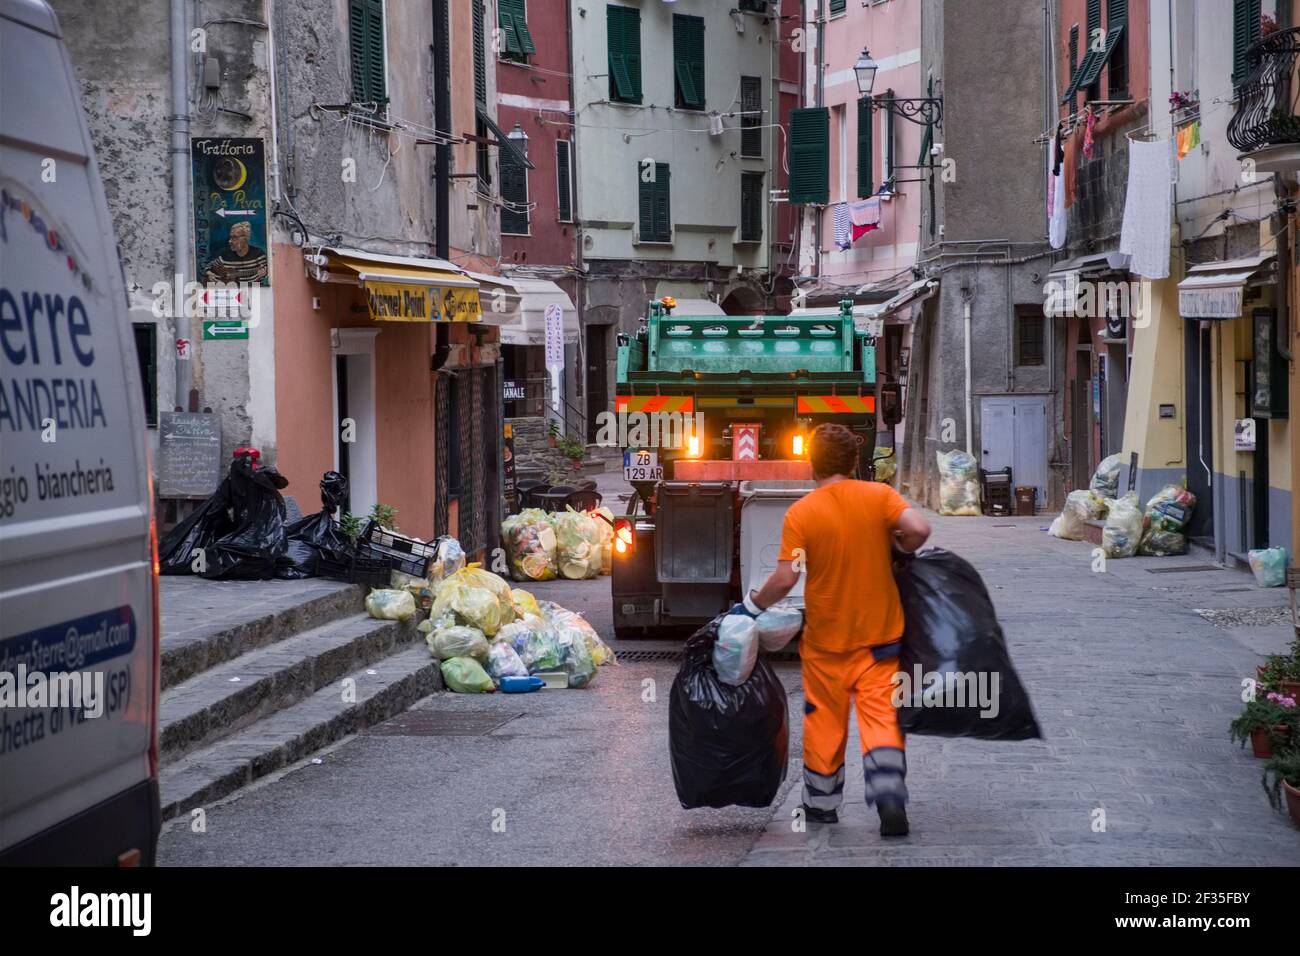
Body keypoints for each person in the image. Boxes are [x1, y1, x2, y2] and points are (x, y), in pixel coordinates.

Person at [732, 422, 930, 835]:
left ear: (812, 465)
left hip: (827, 641)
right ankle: (890, 794)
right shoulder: (880, 497)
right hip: (881, 636)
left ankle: (822, 805)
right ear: (855, 461)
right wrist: (899, 548)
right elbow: (919, 530)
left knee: (825, 720)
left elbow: (787, 579)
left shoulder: (803, 512)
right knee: (881, 717)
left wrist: (750, 606)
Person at [203, 220, 268, 284]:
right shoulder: (225, 256)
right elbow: (208, 267)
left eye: (234, 237)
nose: (230, 241)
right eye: (230, 237)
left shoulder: (258, 254)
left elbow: (268, 274)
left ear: (246, 238)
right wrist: (209, 273)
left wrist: (265, 273)